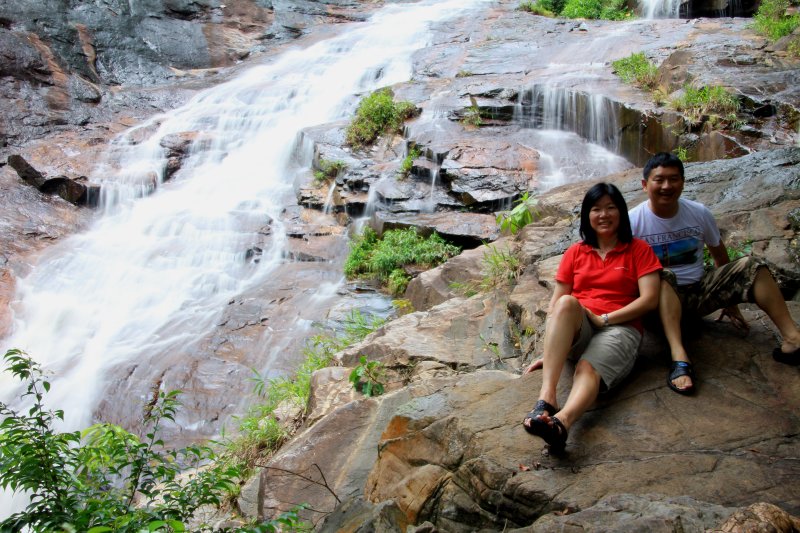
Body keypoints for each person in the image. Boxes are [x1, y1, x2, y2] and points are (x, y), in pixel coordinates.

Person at [629, 152, 800, 395]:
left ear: (683, 182)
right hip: (655, 303)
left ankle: (793, 339)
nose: (667, 186)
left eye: (673, 179)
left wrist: (730, 301)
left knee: (752, 265)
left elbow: (719, 255)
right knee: (660, 274)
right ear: (645, 185)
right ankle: (679, 358)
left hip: (698, 293)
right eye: (659, 180)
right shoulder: (633, 222)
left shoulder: (698, 213)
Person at [522, 182, 662, 451]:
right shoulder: (576, 251)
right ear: (587, 215)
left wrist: (606, 319)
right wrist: (552, 349)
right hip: (582, 326)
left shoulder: (639, 250)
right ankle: (547, 399)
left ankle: (561, 423)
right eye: (596, 209)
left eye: (611, 208)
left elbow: (650, 299)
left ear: (621, 212)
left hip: (620, 327)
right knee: (565, 303)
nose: (604, 215)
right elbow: (556, 305)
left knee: (587, 367)